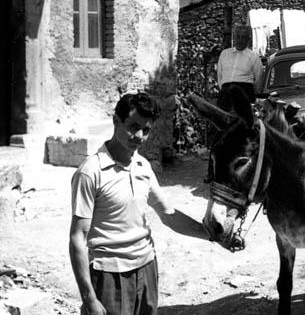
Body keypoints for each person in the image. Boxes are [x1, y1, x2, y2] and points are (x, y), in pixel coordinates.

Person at [69, 92, 211, 315]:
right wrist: (89, 298)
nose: (139, 136)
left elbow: (169, 215)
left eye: (146, 130)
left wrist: (211, 234)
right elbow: (78, 237)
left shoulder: (143, 166)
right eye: (133, 126)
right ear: (116, 121)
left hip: (146, 268)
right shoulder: (90, 172)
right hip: (109, 276)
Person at [217, 24, 264, 110]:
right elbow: (220, 76)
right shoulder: (225, 54)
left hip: (244, 93)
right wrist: (225, 89)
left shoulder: (253, 57)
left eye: (243, 37)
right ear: (234, 38)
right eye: (238, 37)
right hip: (225, 94)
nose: (240, 40)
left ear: (248, 40)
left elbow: (259, 80)